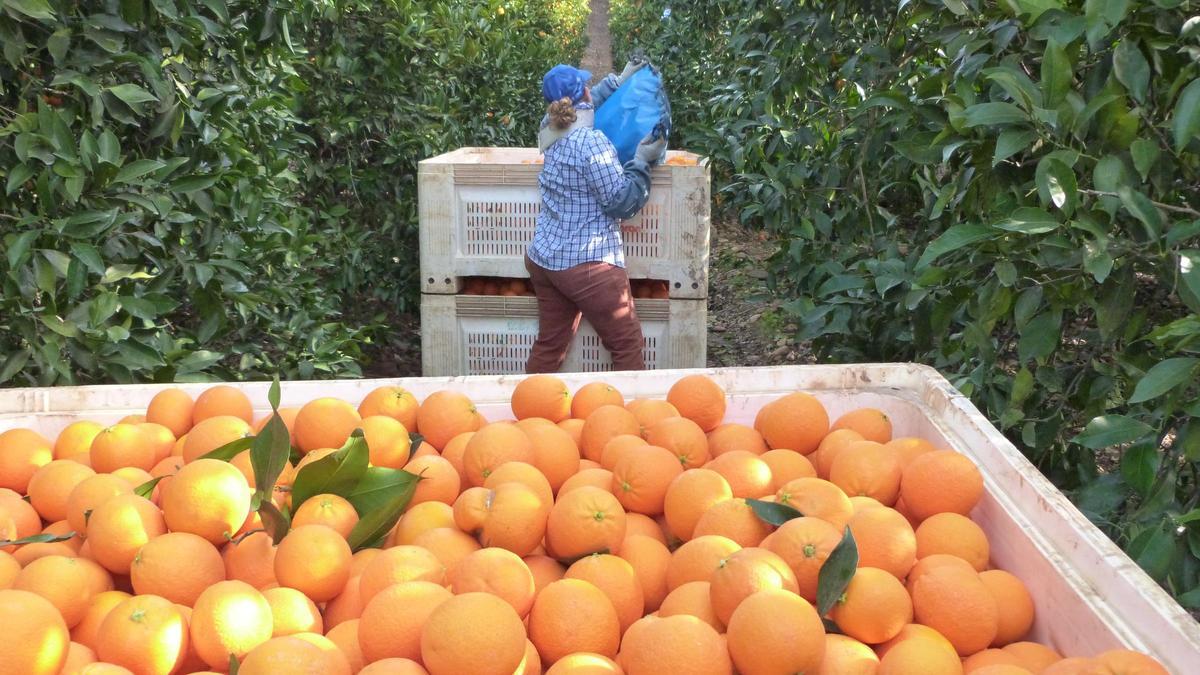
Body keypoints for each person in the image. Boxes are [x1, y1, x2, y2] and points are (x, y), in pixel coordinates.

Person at [524, 60, 667, 374]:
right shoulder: (592, 142)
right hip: (586, 263)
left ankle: (528, 415)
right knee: (626, 343)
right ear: (584, 93)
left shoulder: (548, 127)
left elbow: (583, 107)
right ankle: (625, 418)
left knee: (551, 343)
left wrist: (619, 81)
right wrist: (642, 161)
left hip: (545, 258)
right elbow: (620, 202)